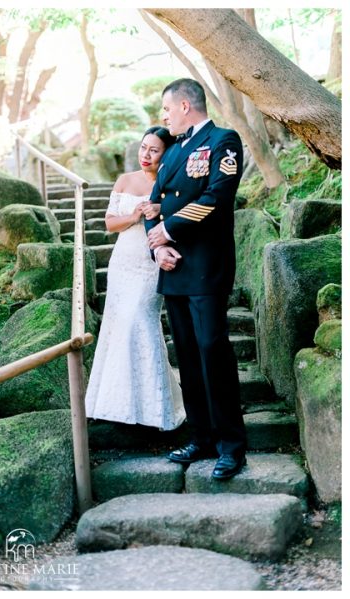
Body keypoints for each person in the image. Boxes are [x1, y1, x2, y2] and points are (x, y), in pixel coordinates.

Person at [145, 78, 246, 480]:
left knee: (212, 351)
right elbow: (154, 204)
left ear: (185, 106)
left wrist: (168, 230)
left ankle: (231, 446)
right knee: (187, 355)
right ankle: (201, 437)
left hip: (206, 266)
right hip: (174, 269)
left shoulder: (223, 140)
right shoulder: (172, 152)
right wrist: (157, 248)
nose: (164, 116)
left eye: (167, 109)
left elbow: (216, 198)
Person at [85, 126, 185, 431]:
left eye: (154, 150)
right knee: (118, 325)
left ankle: (153, 408)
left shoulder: (174, 183)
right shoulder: (125, 180)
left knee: (139, 321)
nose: (146, 155)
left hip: (151, 262)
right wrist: (134, 216)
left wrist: (161, 210)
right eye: (144, 148)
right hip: (123, 261)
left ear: (167, 154)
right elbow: (109, 223)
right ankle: (113, 403)